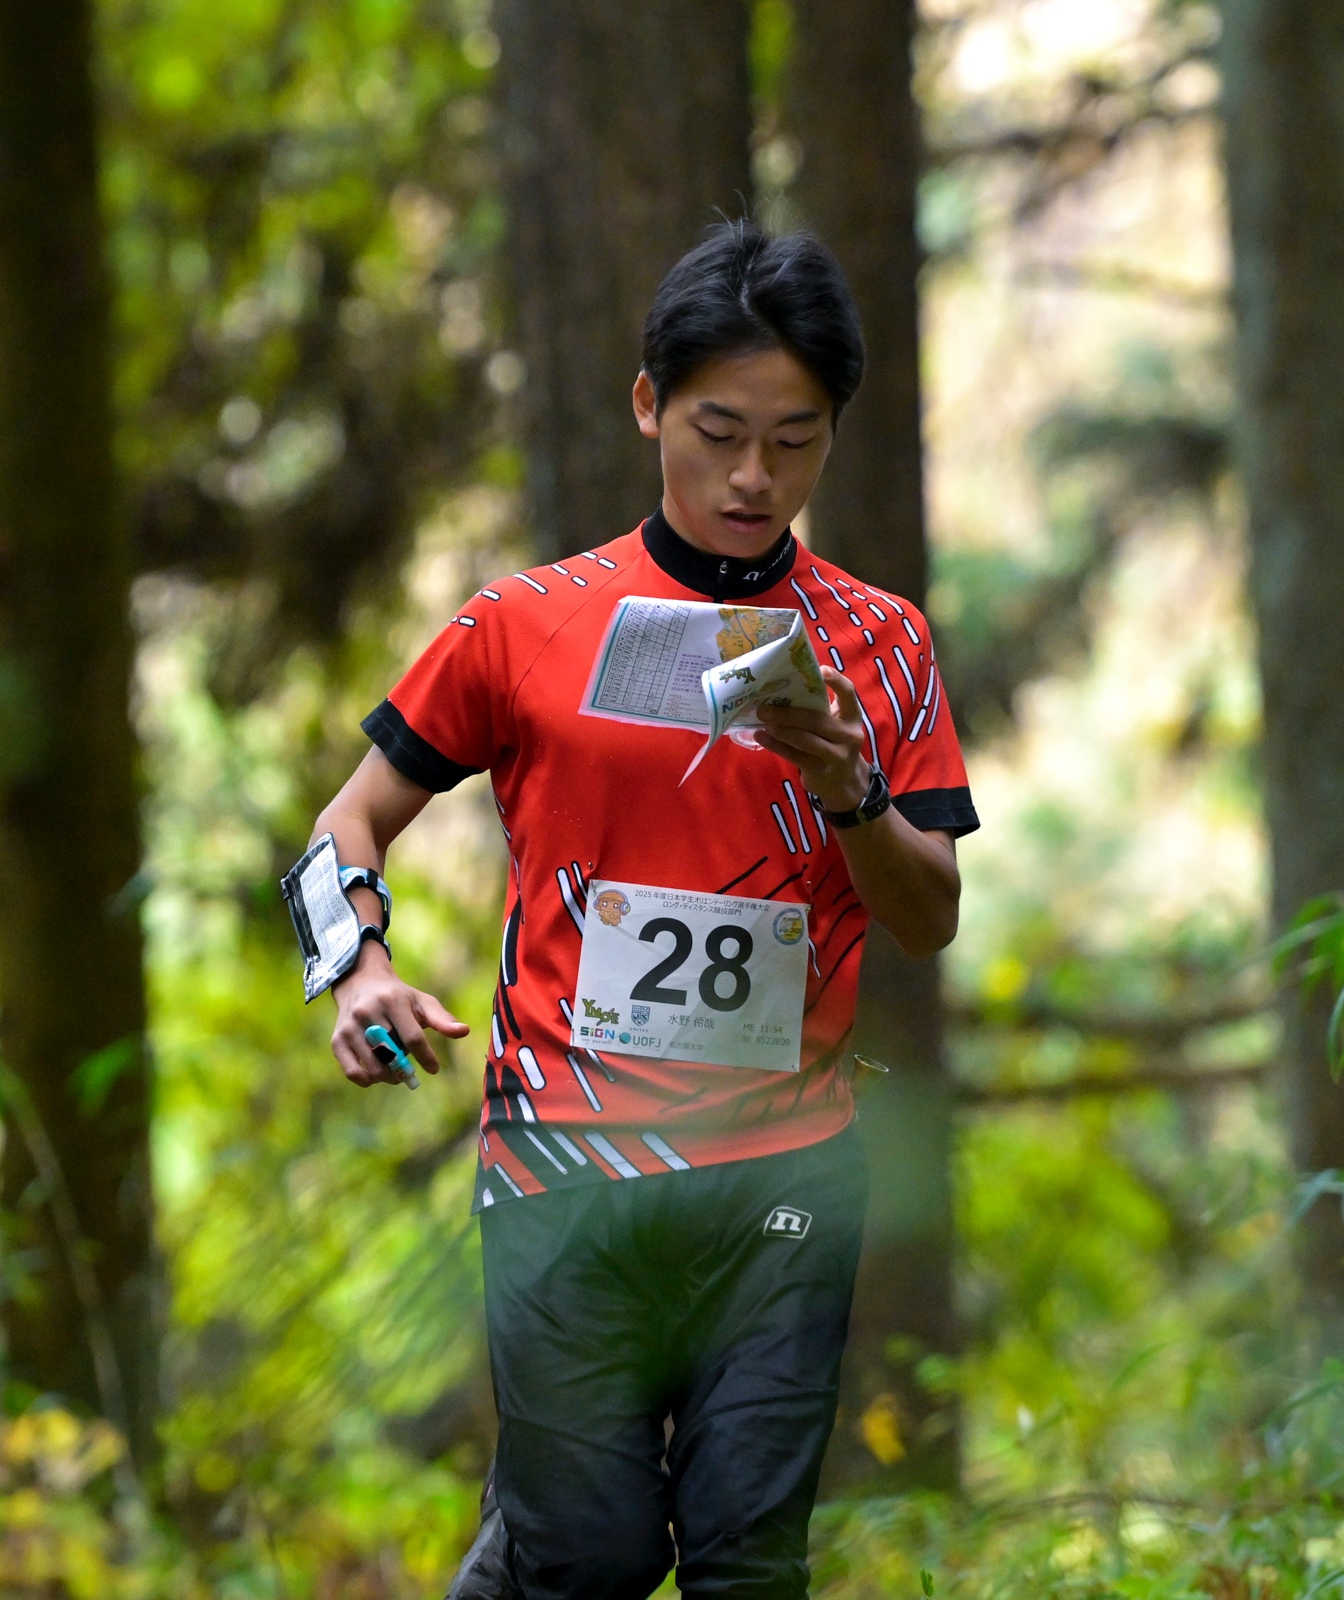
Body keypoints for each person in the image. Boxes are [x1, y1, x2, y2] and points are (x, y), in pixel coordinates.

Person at [307, 219, 978, 1600]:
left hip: (785, 1171)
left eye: (794, 440)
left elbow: (929, 920)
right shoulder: (525, 623)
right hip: (564, 1164)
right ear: (646, 406)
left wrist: (853, 792)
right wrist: (358, 966)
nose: (753, 476)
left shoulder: (882, 643)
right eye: (719, 431)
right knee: (587, 1557)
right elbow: (345, 821)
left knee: (748, 1563)